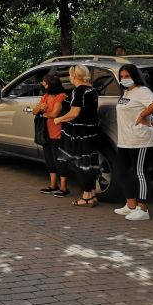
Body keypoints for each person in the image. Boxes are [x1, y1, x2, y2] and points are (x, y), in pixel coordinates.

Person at [113, 64, 153, 221]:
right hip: (125, 140)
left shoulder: (142, 91)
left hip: (140, 140)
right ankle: (131, 205)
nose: (124, 79)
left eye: (127, 76)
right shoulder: (127, 92)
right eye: (122, 76)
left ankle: (143, 210)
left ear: (135, 76)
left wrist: (142, 115)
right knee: (122, 171)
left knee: (139, 173)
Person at [54, 65, 100, 207]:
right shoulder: (92, 89)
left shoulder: (78, 91)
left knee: (81, 164)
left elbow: (74, 113)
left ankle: (86, 196)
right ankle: (92, 194)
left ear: (74, 75)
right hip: (91, 131)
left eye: (70, 74)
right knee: (90, 163)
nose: (70, 77)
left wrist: (59, 119)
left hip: (78, 133)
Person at [33, 75, 69, 197]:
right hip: (46, 133)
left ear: (52, 85)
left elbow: (55, 114)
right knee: (49, 159)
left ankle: (64, 188)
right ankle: (53, 185)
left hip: (58, 133)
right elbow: (34, 111)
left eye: (45, 84)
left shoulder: (61, 96)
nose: (43, 86)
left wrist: (43, 112)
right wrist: (39, 108)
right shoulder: (45, 96)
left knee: (58, 159)